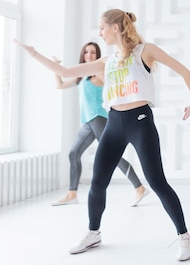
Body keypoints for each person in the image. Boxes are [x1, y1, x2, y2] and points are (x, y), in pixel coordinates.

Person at [15, 9, 190, 260]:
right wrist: (34, 54)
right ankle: (93, 233)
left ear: (116, 28)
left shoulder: (144, 51)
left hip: (140, 121)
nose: (99, 33)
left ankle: (184, 237)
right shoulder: (107, 61)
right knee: (98, 181)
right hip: (114, 122)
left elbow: (183, 70)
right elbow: (69, 72)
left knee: (156, 181)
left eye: (102, 27)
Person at [51, 42, 150, 207]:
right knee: (73, 153)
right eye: (86, 52)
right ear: (82, 54)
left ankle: (139, 188)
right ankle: (72, 193)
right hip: (88, 122)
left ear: (97, 56)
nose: (89, 55)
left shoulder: (98, 73)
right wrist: (56, 67)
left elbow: (114, 83)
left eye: (93, 53)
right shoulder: (82, 76)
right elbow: (59, 85)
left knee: (113, 157)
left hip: (99, 118)